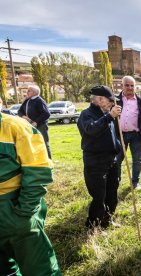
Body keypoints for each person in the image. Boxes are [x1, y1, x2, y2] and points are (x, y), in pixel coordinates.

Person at [0, 97, 61, 275]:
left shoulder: (16, 127)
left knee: (39, 269)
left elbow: (38, 171)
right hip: (16, 212)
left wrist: (24, 213)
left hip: (14, 208)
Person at [77, 85, 122, 229]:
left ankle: (107, 221)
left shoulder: (107, 113)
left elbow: (110, 134)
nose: (112, 104)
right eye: (110, 101)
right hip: (95, 163)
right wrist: (109, 116)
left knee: (112, 193)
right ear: (100, 100)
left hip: (112, 160)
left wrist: (118, 146)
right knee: (99, 196)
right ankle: (93, 226)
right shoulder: (87, 114)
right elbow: (91, 129)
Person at [17, 85, 52, 159]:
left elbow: (46, 114)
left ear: (35, 92)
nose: (27, 92)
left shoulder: (39, 100)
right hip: (29, 125)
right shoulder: (27, 100)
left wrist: (36, 122)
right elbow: (19, 111)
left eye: (29, 90)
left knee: (44, 142)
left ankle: (49, 161)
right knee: (32, 143)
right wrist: (23, 116)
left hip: (40, 125)